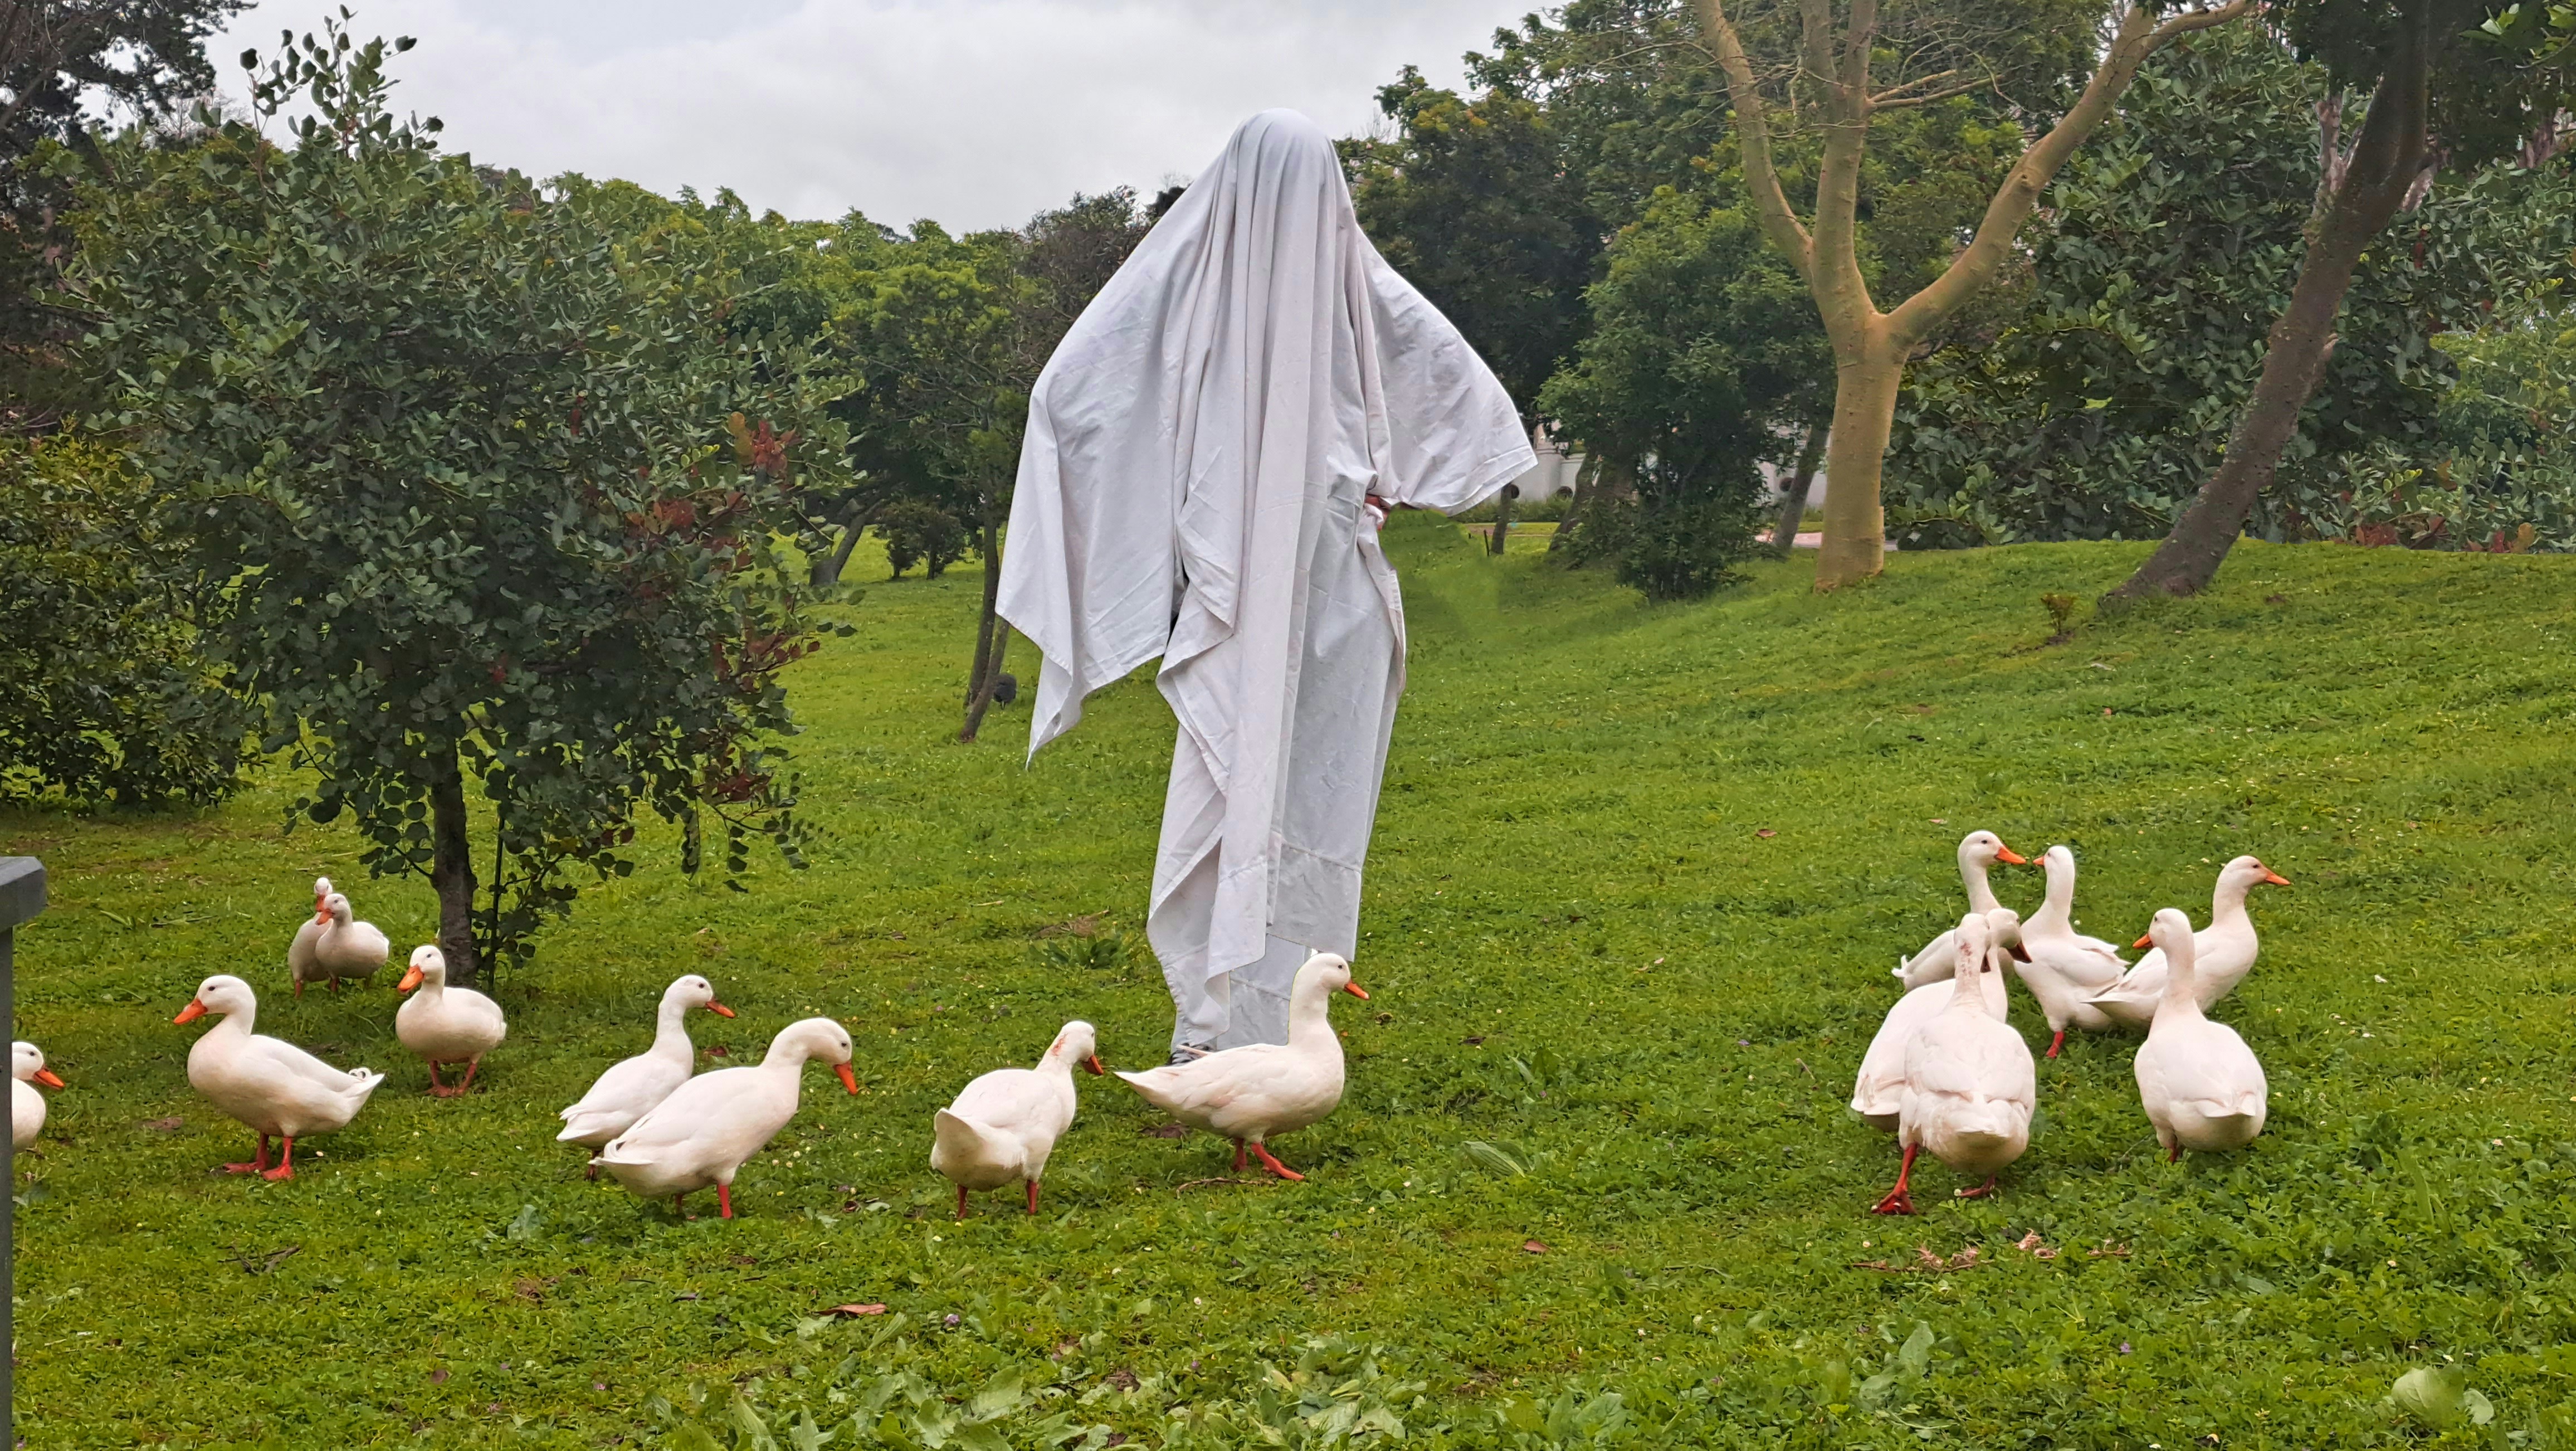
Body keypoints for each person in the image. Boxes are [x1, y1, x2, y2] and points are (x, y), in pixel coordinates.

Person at [998, 109, 1534, 1058]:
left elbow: (1071, 393)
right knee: (1268, 785)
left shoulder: (1195, 282)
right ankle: (1221, 1028)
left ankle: (1243, 1027)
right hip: (1305, 593)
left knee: (1259, 783)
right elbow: (1474, 422)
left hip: (1281, 595)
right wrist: (1373, 489)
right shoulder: (1351, 287)